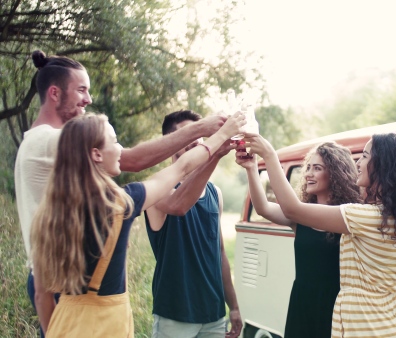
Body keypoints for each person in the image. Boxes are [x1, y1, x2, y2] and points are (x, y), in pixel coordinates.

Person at [14, 50, 225, 336]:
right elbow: (136, 161)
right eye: (81, 90)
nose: (88, 99)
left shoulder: (39, 142)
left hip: (56, 277)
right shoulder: (57, 140)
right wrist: (204, 131)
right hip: (74, 281)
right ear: (54, 93)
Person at [29, 112, 245, 337]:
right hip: (106, 324)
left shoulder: (47, 214)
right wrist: (221, 136)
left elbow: (41, 296)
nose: (120, 149)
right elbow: (180, 169)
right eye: (114, 142)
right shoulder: (120, 202)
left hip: (64, 323)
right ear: (96, 154)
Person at [242, 133, 396, 338]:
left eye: (364, 156)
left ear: (381, 165)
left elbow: (291, 208)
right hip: (394, 327)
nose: (358, 163)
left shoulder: (362, 217)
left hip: (360, 327)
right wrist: (395, 327)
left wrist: (269, 154)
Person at [236, 141, 361, 338]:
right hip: (301, 302)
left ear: (336, 174)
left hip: (335, 305)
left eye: (317, 168)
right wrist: (252, 169)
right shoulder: (300, 216)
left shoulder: (349, 216)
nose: (309, 173)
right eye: (308, 167)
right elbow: (263, 208)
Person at [144, 110, 242, 338]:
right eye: (188, 135)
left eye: (199, 136)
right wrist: (216, 156)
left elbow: (219, 254)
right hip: (175, 313)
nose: (195, 142)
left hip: (213, 313)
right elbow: (179, 204)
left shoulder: (214, 193)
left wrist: (234, 306)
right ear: (171, 142)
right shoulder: (157, 186)